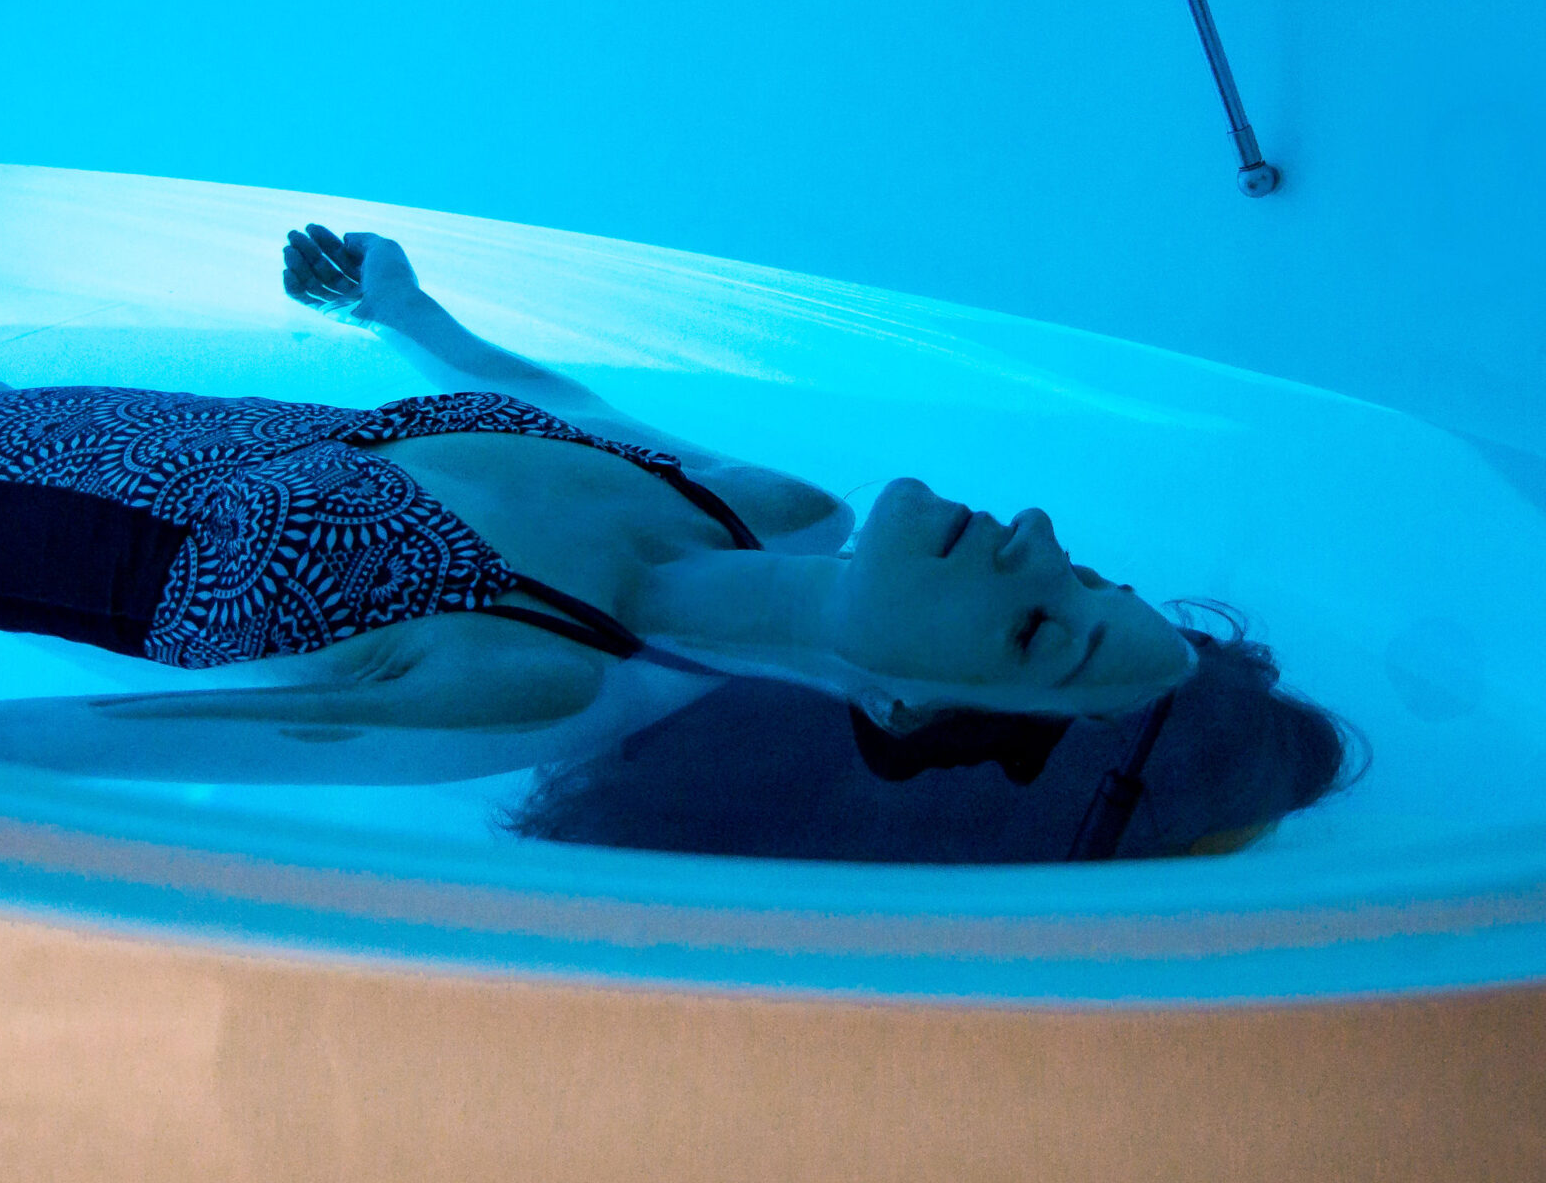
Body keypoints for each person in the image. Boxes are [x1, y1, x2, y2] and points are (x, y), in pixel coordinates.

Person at [0, 225, 1365, 859]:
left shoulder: (544, 681)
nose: (1037, 545)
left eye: (1036, 631)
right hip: (69, 415)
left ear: (900, 709)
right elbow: (573, 411)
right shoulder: (781, 509)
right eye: (1089, 578)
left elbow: (95, 743)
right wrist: (407, 316)